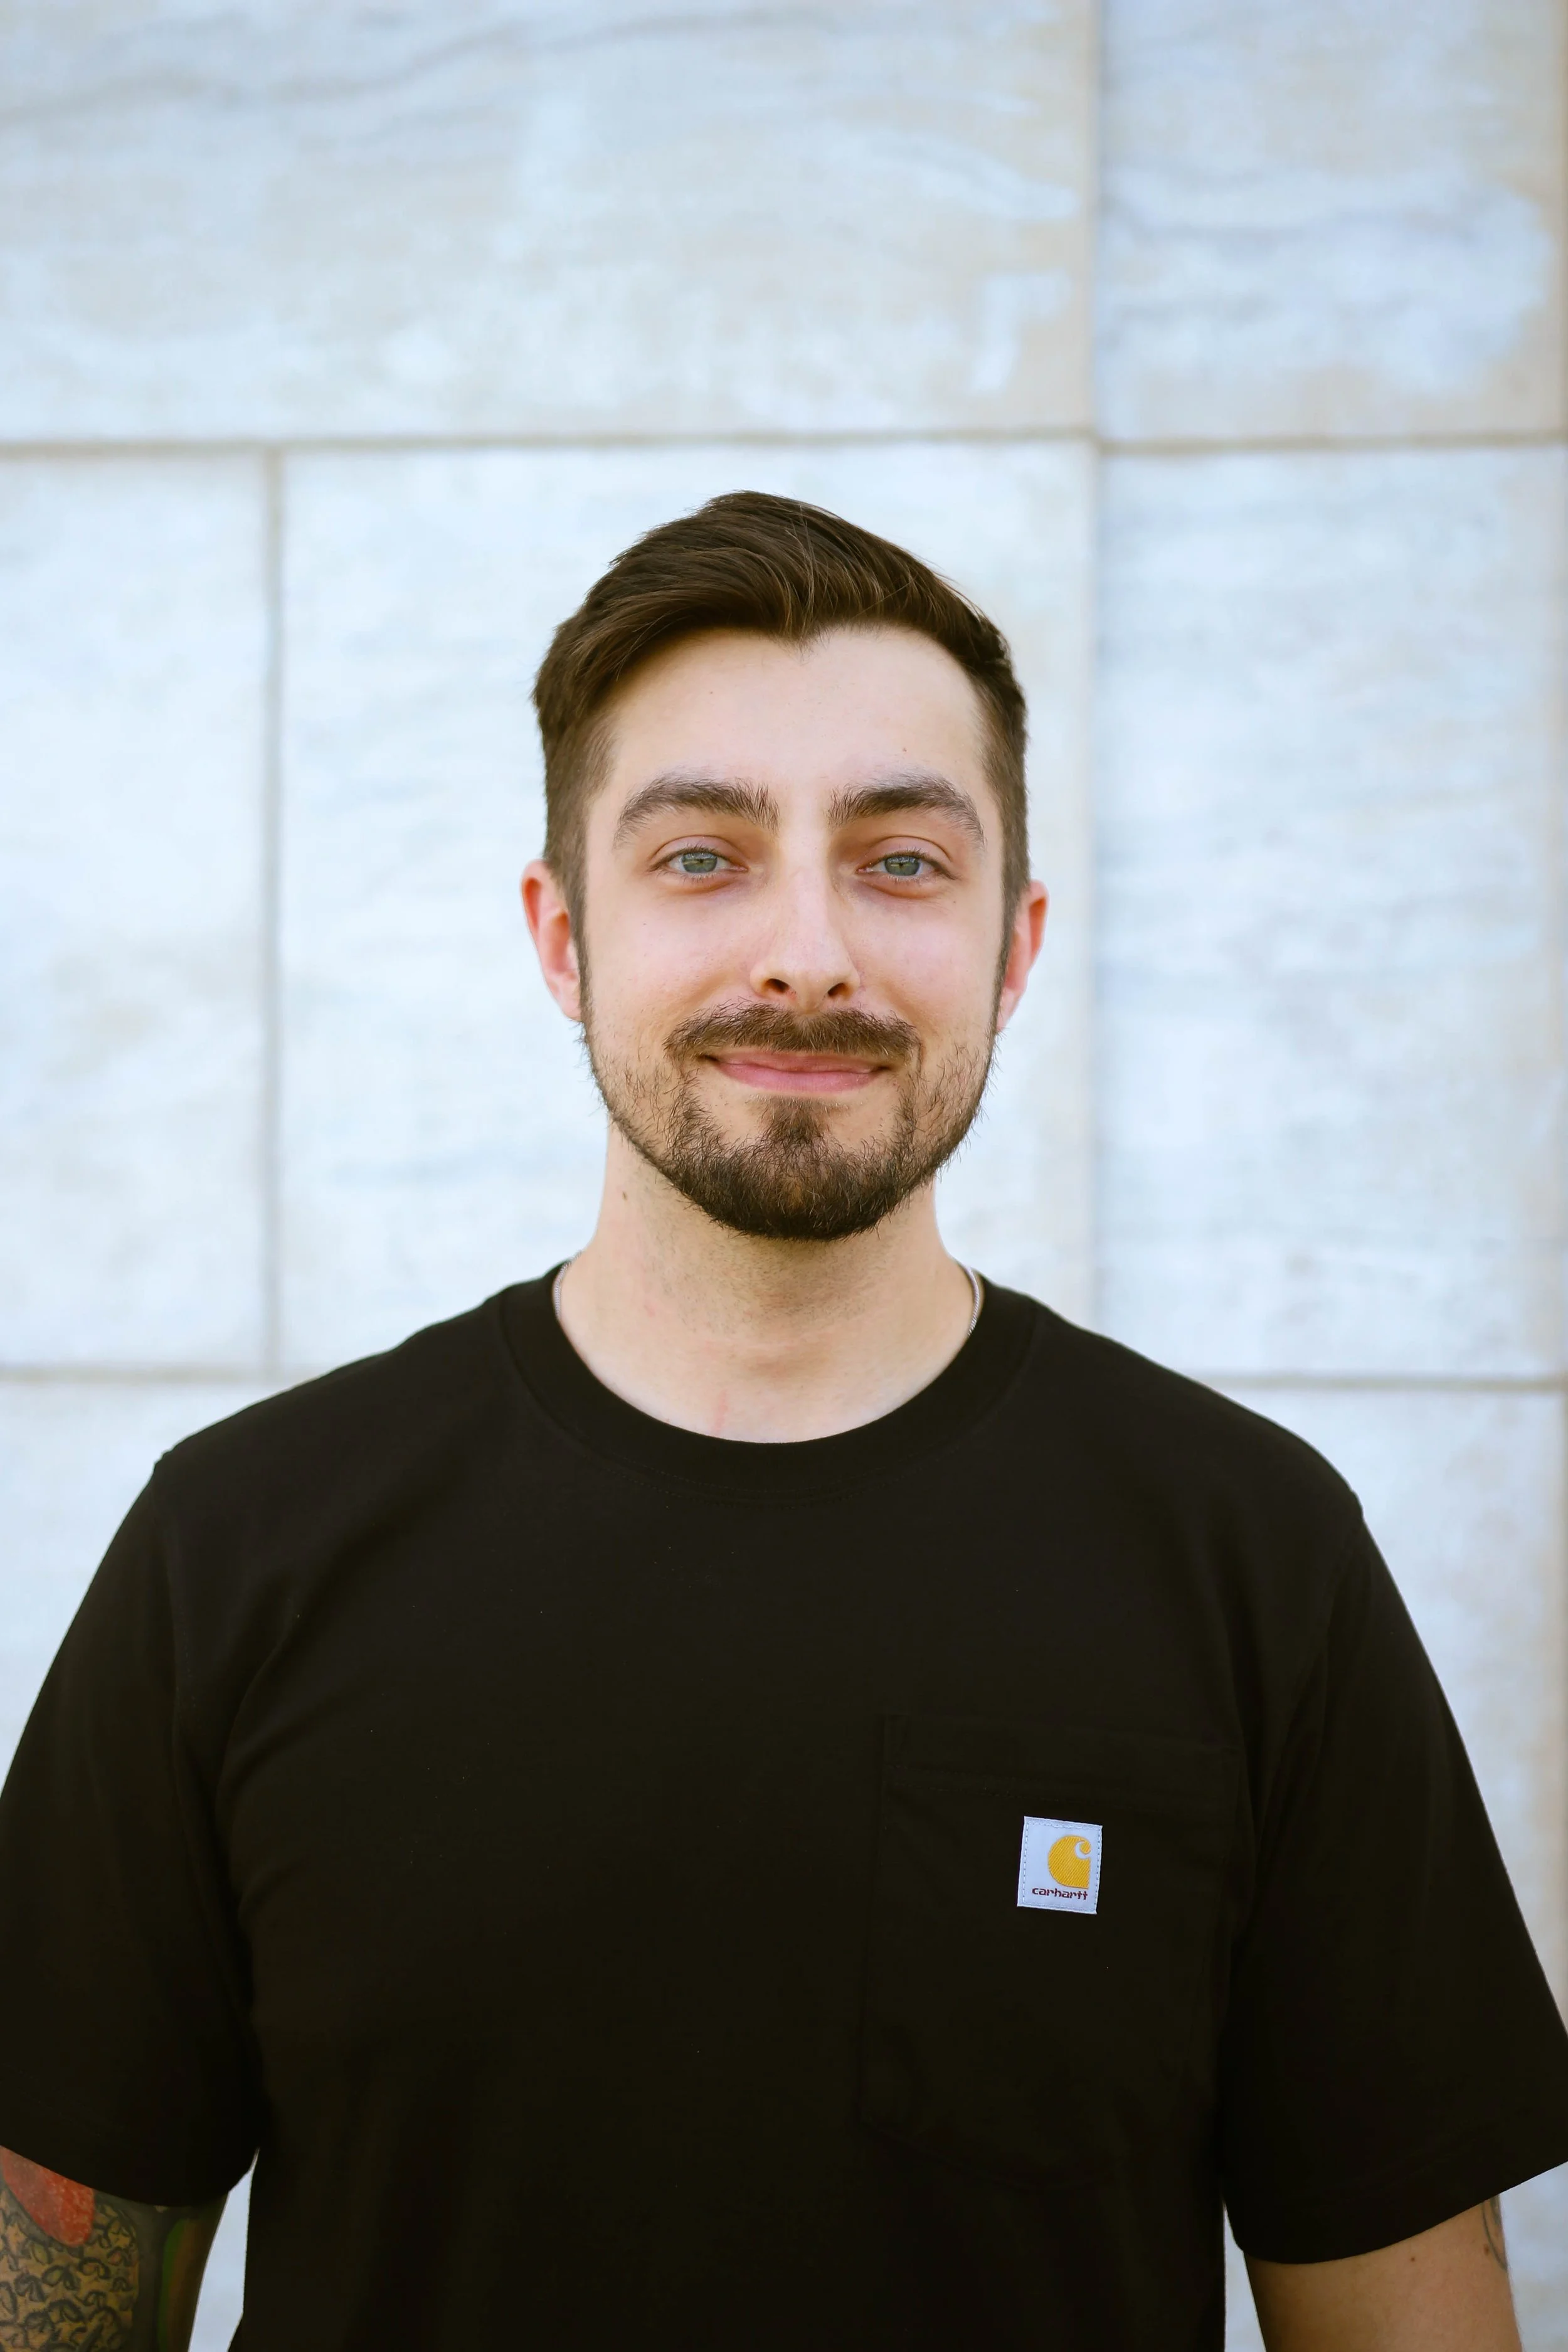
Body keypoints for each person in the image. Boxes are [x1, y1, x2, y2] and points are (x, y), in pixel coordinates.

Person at [0, 493, 1565, 2352]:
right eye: (700, 856)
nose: (807, 952)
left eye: (901, 860)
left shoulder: (1247, 1554)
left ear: (1013, 942)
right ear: (561, 937)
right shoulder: (238, 1548)